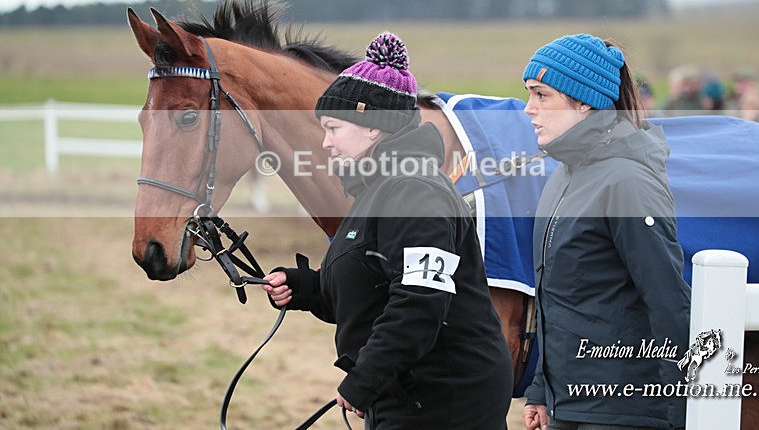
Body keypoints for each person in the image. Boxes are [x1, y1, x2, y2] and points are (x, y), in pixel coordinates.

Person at [263, 32, 513, 428]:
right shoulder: (377, 189)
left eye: (333, 128)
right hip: (405, 389)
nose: (325, 144)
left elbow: (421, 300)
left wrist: (364, 378)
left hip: (443, 397)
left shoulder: (414, 190)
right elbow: (373, 288)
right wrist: (307, 288)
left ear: (373, 128)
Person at [519, 34, 690, 429]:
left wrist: (681, 413)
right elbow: (556, 300)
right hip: (570, 406)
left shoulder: (627, 180)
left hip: (624, 410)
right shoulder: (562, 177)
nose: (529, 109)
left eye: (542, 95)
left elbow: (668, 302)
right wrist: (542, 392)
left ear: (584, 103)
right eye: (529, 94)